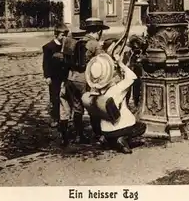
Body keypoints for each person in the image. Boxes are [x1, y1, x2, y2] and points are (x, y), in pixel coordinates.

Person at [82, 53, 146, 154]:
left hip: (105, 129)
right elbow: (133, 77)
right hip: (119, 127)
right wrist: (121, 64)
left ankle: (106, 139)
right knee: (141, 127)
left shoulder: (94, 91)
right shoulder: (117, 89)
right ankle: (122, 140)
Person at [60, 17, 109, 147]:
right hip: (84, 80)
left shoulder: (78, 41)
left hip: (71, 78)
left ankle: (78, 135)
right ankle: (98, 134)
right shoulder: (94, 44)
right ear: (98, 31)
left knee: (77, 108)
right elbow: (102, 61)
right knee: (93, 106)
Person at [42, 24, 70, 130]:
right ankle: (55, 118)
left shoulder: (66, 46)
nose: (64, 37)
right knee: (54, 97)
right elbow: (46, 63)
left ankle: (65, 117)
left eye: (66, 35)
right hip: (54, 77)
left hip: (64, 76)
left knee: (65, 96)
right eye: (63, 35)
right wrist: (47, 76)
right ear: (56, 34)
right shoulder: (49, 47)